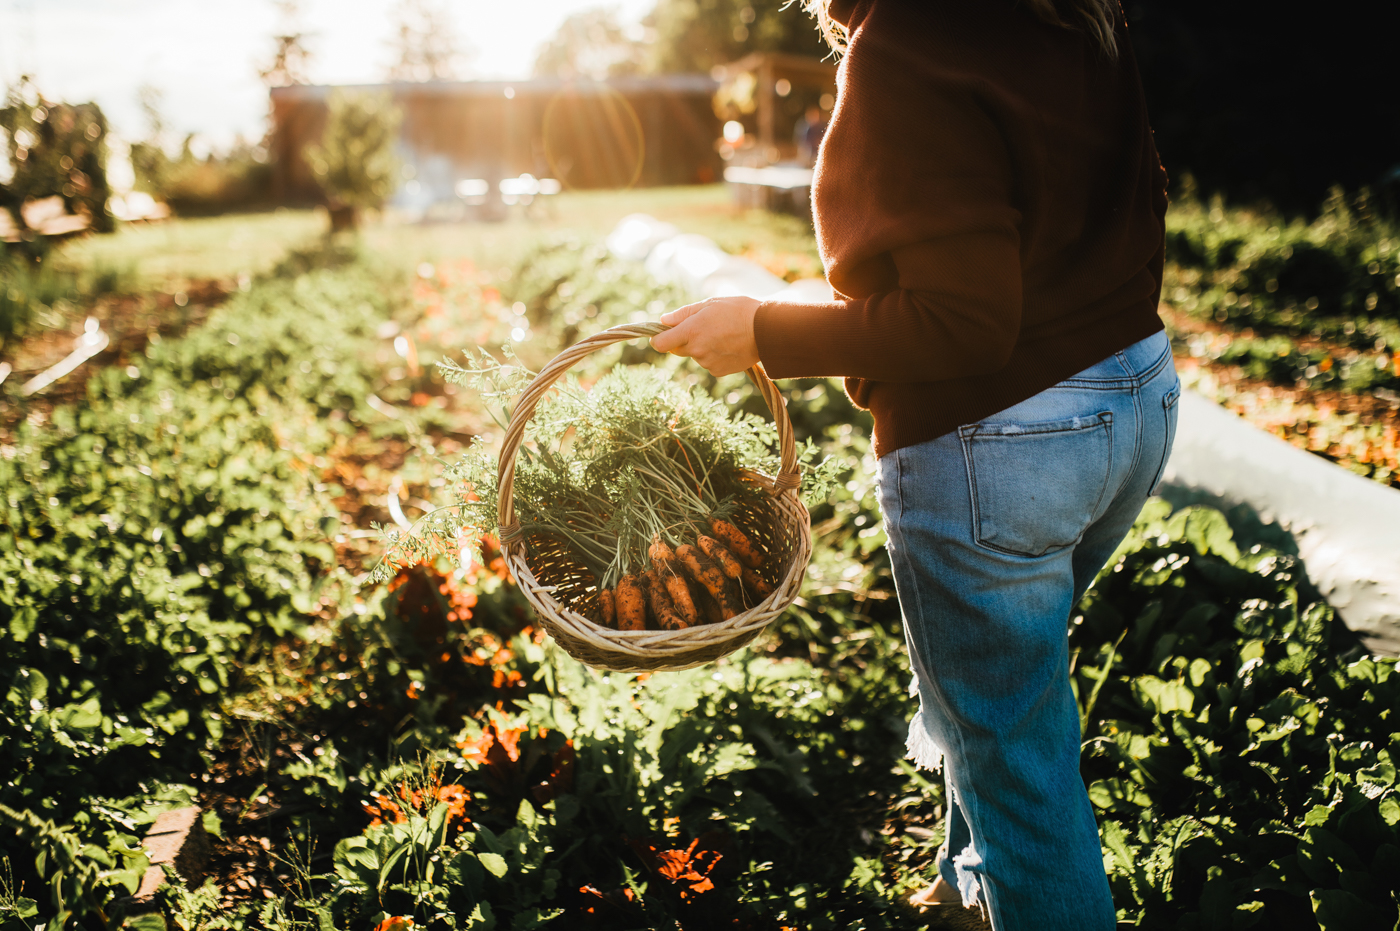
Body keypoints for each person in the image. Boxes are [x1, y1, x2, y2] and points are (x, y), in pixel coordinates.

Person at [650, 0, 1177, 929]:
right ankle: (973, 890)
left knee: (1015, 753)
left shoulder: (909, 42)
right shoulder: (1074, 14)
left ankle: (1020, 886)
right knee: (1001, 689)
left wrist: (762, 329)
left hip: (998, 440)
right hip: (1133, 401)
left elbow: (967, 325)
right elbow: (1147, 200)